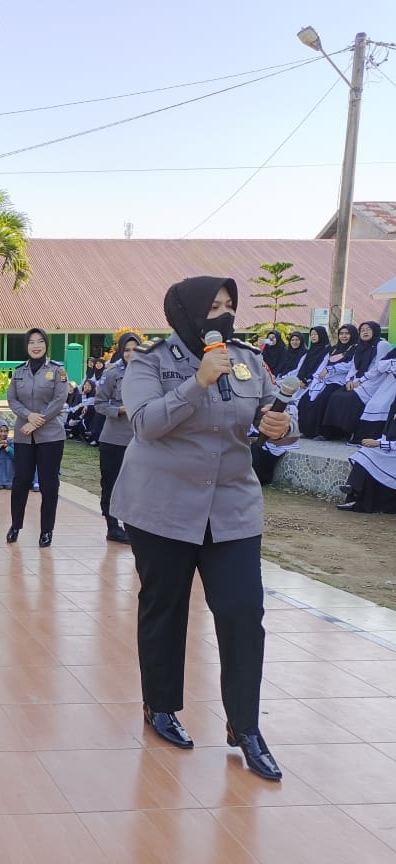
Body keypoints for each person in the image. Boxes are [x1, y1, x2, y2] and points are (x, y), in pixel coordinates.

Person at [110, 276, 292, 782]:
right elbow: (145, 424)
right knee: (165, 607)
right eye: (214, 307)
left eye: (230, 306)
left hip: (231, 505)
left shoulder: (248, 358)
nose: (224, 316)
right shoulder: (149, 361)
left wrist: (283, 425)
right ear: (187, 312)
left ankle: (246, 725)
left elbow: (274, 410)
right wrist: (199, 382)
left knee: (241, 611)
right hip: (161, 507)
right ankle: (161, 705)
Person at [5, 328, 69, 547]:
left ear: (46, 344)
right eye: (31, 342)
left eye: (40, 341)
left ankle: (46, 530)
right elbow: (12, 399)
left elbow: (59, 400)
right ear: (26, 345)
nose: (36, 345)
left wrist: (36, 422)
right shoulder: (19, 371)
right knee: (21, 481)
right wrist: (28, 416)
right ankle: (15, 525)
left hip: (51, 436)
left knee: (49, 484)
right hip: (24, 437)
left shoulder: (58, 370)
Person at [94, 332, 141, 543]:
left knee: (136, 486)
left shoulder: (147, 373)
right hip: (113, 438)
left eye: (135, 349)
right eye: (127, 350)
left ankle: (133, 527)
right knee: (110, 484)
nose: (131, 354)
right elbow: (99, 403)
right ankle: (112, 526)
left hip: (139, 439)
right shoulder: (112, 373)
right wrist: (119, 410)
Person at [337, 402, 396, 513]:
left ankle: (355, 492)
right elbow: (385, 436)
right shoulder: (394, 407)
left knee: (370, 454)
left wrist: (379, 444)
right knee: (367, 450)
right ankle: (353, 493)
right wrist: (375, 442)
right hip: (391, 451)